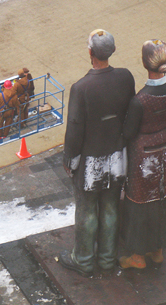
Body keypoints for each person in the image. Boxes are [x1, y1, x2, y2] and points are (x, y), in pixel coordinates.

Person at [58, 29, 135, 277]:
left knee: (87, 208)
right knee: (111, 205)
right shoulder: (125, 78)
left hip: (91, 161)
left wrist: (70, 159)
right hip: (117, 157)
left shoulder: (81, 88)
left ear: (90, 52)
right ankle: (106, 258)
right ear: (111, 51)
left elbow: (75, 128)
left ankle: (83, 259)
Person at [119, 39, 166, 270]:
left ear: (146, 64)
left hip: (143, 155)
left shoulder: (139, 100)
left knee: (140, 202)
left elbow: (128, 132)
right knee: (164, 196)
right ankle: (158, 249)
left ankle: (137, 256)